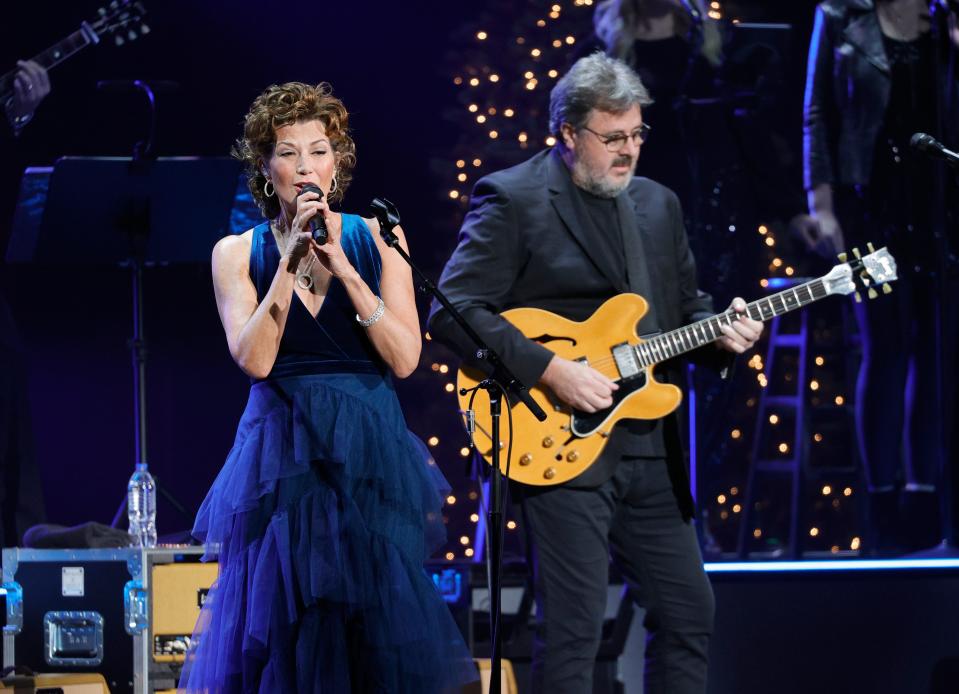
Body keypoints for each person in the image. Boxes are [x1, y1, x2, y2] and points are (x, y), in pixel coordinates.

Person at [429, 53, 762, 694]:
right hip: (558, 441)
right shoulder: (514, 198)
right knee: (575, 629)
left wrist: (724, 334)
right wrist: (551, 369)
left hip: (648, 447)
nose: (629, 150)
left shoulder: (657, 206)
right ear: (569, 133)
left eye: (637, 134)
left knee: (689, 613)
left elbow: (682, 313)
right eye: (613, 138)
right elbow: (453, 311)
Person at [179, 82, 475, 693]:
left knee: (374, 624)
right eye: (289, 153)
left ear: (337, 163)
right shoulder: (236, 253)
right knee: (285, 625)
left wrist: (345, 270)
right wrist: (288, 262)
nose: (306, 166)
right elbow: (255, 361)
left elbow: (404, 358)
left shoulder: (378, 237)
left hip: (367, 452)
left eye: (319, 150)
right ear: (265, 167)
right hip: (279, 457)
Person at [802, 0, 959, 552]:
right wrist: (821, 205)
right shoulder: (842, 17)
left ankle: (927, 499)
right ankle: (884, 503)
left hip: (941, 205)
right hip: (871, 203)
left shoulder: (946, 21)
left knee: (937, 350)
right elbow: (818, 112)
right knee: (887, 346)